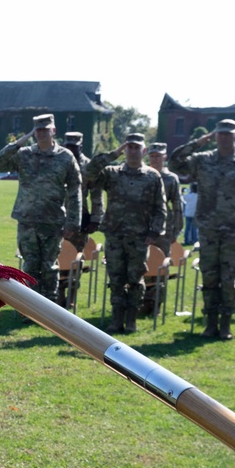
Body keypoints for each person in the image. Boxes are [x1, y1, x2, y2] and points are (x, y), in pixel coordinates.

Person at [170, 119, 235, 340]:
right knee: (209, 276)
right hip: (208, 230)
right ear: (215, 136)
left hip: (234, 231)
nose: (224, 137)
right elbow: (175, 162)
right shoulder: (203, 160)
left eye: (228, 134)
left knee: (228, 277)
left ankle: (225, 324)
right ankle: (210, 323)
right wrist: (198, 141)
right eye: (220, 134)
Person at [0, 113, 82, 305]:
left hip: (53, 221)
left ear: (54, 131)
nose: (41, 134)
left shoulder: (65, 157)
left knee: (49, 267)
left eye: (45, 130)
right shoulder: (24, 154)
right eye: (37, 130)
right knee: (30, 266)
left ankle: (50, 309)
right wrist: (19, 141)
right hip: (28, 220)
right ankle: (29, 308)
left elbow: (75, 191)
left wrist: (73, 222)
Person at [85, 133, 166, 333]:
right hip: (115, 235)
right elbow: (89, 172)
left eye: (136, 147)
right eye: (129, 147)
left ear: (143, 151)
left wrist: (154, 232)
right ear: (124, 148)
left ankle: (131, 319)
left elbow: (160, 207)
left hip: (139, 237)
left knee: (135, 279)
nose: (132, 151)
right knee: (116, 278)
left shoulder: (152, 176)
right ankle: (116, 318)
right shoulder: (112, 172)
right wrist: (113, 154)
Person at [61, 131, 103, 256]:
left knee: (75, 256)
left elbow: (97, 196)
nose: (70, 149)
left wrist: (95, 220)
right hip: (57, 216)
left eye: (73, 147)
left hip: (79, 218)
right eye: (67, 146)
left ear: (81, 147)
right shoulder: (58, 164)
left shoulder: (89, 167)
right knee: (55, 257)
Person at [147, 142, 184, 250]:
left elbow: (177, 205)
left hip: (164, 227)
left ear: (164, 157)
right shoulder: (142, 174)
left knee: (161, 259)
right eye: (152, 156)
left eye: (158, 156)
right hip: (142, 225)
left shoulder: (171, 178)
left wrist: (176, 230)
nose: (155, 159)